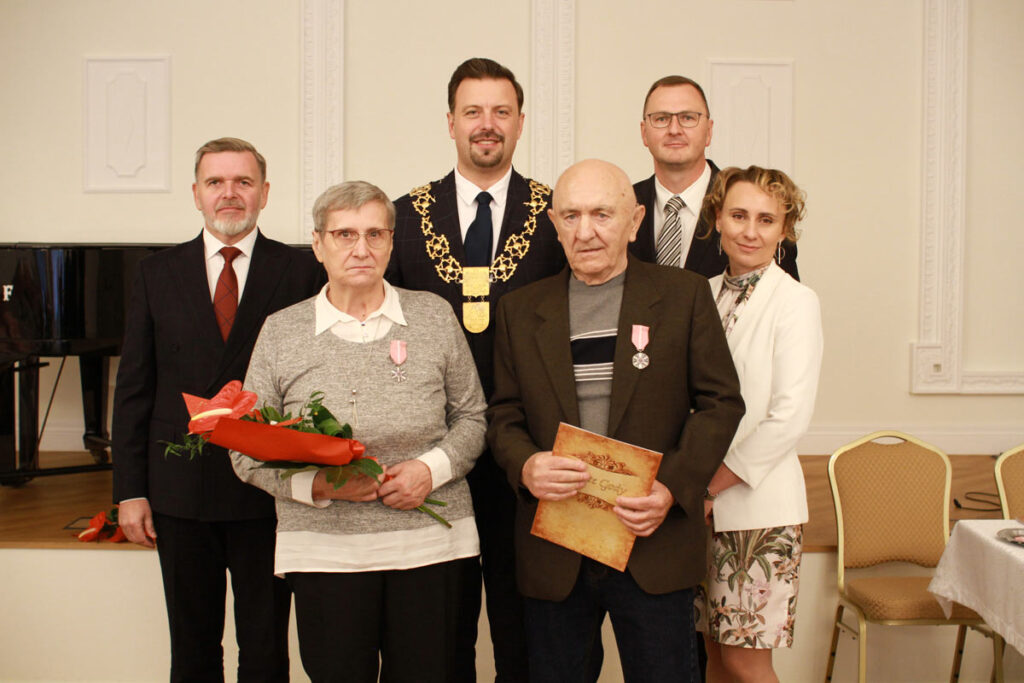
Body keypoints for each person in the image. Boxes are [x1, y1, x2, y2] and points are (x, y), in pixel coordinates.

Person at [487, 159, 745, 682]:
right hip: (557, 545)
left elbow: (721, 402)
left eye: (602, 214)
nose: (585, 231)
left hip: (651, 539)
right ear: (555, 224)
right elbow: (503, 415)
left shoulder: (684, 295)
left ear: (635, 221)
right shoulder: (519, 309)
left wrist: (671, 488)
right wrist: (527, 465)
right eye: (571, 216)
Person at [231, 181, 487, 682]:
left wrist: (429, 472)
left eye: (374, 234)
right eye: (344, 234)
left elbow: (473, 416)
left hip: (431, 548)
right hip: (325, 554)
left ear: (391, 243)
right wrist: (321, 485)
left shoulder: (433, 315)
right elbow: (245, 449)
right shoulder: (281, 331)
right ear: (318, 244)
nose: (361, 249)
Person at [112, 137, 324, 681]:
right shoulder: (156, 272)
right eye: (216, 182)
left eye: (243, 182)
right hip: (179, 492)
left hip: (267, 493)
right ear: (196, 194)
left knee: (265, 650)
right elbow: (134, 388)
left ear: (264, 193)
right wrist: (130, 490)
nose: (229, 194)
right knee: (192, 650)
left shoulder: (301, 271)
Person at [387, 56, 566, 682]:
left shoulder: (558, 216)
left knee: (526, 626)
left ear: (520, 122)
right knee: (440, 630)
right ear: (450, 122)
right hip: (432, 456)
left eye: (500, 112)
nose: (486, 124)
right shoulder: (402, 217)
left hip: (530, 454)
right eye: (473, 112)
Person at [695, 166, 823, 683]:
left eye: (766, 220)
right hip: (702, 510)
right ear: (717, 220)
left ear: (785, 229)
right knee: (714, 656)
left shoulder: (796, 302)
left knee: (746, 661)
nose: (750, 231)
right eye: (739, 215)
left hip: (759, 508)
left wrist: (711, 484)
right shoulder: (703, 292)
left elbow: (789, 416)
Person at [630, 75, 799, 280]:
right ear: (644, 133)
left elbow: (781, 292)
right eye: (661, 119)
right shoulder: (623, 205)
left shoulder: (759, 207)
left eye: (688, 118)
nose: (674, 130)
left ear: (709, 131)